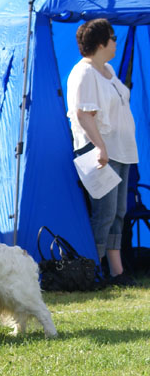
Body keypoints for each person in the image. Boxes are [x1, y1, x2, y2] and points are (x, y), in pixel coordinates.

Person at [67, 18, 138, 286]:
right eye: (113, 37)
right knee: (104, 212)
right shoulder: (84, 73)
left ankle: (116, 272)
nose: (116, 42)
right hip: (100, 151)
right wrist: (100, 147)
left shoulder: (107, 69)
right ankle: (93, 271)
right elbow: (84, 115)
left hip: (121, 150)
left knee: (118, 211)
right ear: (101, 42)